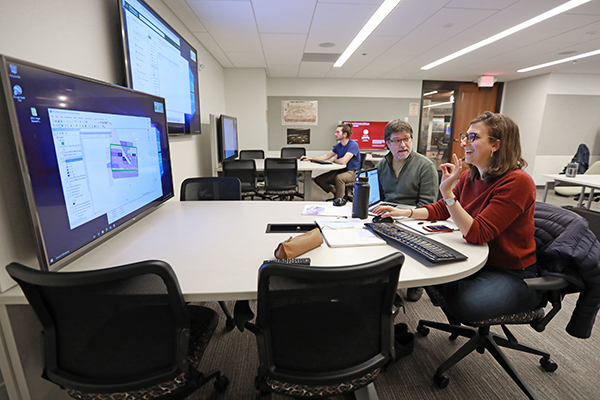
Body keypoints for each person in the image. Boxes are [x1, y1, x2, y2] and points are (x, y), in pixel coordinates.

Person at [374, 111, 543, 322]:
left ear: (496, 145)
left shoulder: (518, 181)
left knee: (464, 304)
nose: (464, 142)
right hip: (475, 257)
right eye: (465, 136)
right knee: (425, 270)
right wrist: (405, 212)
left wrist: (447, 192)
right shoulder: (470, 175)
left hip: (510, 271)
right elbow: (442, 210)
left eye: (473, 137)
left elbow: (477, 233)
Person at [378, 119, 439, 301]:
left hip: (416, 219)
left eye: (407, 139)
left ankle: (416, 281)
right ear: (387, 143)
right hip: (389, 215)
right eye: (397, 140)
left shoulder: (425, 166)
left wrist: (401, 213)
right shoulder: (382, 165)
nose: (403, 145)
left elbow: (428, 205)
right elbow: (381, 198)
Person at [301, 124, 360, 205]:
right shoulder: (338, 145)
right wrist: (311, 158)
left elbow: (343, 161)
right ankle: (336, 192)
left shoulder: (353, 145)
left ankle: (339, 201)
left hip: (353, 172)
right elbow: (327, 156)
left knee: (339, 178)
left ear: (345, 134)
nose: (335, 134)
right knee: (319, 179)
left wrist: (334, 160)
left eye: (338, 132)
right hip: (341, 170)